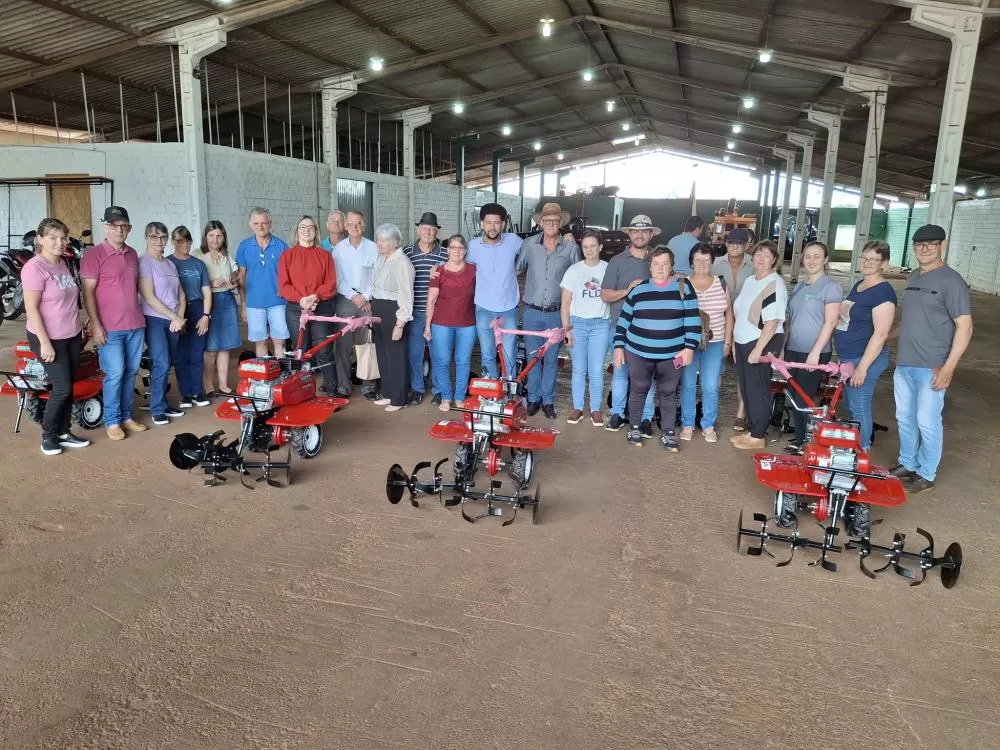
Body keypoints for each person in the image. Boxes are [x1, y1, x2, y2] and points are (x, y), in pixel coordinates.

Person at [890, 224, 973, 494]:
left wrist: (949, 367)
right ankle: (908, 463)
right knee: (905, 417)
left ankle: (926, 473)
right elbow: (912, 320)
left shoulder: (951, 281)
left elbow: (965, 326)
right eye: (919, 244)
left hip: (932, 365)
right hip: (905, 363)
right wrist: (883, 337)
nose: (924, 249)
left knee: (927, 420)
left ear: (942, 245)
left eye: (931, 244)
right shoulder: (913, 277)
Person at [613, 246, 700, 451]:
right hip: (637, 351)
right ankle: (634, 428)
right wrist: (618, 347)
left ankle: (668, 434)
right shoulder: (638, 289)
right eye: (656, 263)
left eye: (665, 264)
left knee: (668, 392)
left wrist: (689, 349)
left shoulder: (683, 287)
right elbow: (623, 321)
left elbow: (694, 321)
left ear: (671, 267)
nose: (660, 268)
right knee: (639, 388)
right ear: (650, 266)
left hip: (672, 354)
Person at [22, 218, 90, 455]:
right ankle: (48, 436)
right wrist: (44, 342)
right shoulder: (34, 267)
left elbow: (70, 300)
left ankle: (63, 431)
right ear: (40, 239)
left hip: (71, 334)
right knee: (61, 387)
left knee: (68, 386)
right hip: (48, 338)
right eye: (53, 237)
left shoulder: (62, 264)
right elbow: (31, 309)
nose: (59, 243)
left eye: (63, 238)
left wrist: (80, 326)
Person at [80, 206, 148, 441]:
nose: (119, 229)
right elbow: (87, 292)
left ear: (128, 228)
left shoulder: (131, 254)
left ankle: (126, 416)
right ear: (106, 227)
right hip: (109, 327)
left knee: (130, 372)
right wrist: (96, 325)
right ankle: (112, 420)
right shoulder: (93, 255)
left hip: (135, 324)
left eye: (124, 226)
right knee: (115, 373)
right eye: (114, 225)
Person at [518, 202, 580, 419]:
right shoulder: (529, 245)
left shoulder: (571, 248)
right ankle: (533, 398)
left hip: (556, 312)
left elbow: (578, 279)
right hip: (532, 312)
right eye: (547, 220)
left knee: (551, 359)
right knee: (533, 357)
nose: (551, 223)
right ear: (540, 223)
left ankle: (548, 401)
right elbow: (517, 270)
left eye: (555, 220)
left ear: (561, 223)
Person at [600, 215, 659, 435]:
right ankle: (617, 413)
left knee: (647, 375)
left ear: (651, 234)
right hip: (621, 327)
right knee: (620, 372)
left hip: (651, 329)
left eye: (645, 231)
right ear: (630, 234)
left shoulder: (658, 260)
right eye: (636, 231)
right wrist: (627, 290)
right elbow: (605, 294)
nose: (640, 235)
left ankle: (645, 418)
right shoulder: (617, 261)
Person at [834, 240, 895, 451]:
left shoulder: (883, 292)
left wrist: (862, 367)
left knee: (859, 408)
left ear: (884, 264)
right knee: (851, 406)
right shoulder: (859, 285)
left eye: (874, 259)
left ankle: (862, 454)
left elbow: (881, 333)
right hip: (851, 356)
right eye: (865, 257)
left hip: (865, 359)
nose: (868, 262)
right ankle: (857, 450)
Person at [782, 241, 843, 453]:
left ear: (825, 260)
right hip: (793, 351)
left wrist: (815, 353)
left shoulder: (830, 287)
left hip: (814, 354)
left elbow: (831, 322)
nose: (811, 261)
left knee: (805, 398)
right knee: (794, 397)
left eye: (817, 256)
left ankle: (811, 444)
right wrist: (783, 348)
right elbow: (790, 320)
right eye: (808, 256)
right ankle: (800, 441)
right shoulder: (800, 285)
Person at [730, 240, 787, 450]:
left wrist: (758, 349)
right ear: (752, 258)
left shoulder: (774, 282)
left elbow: (772, 322)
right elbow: (741, 314)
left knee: (758, 388)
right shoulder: (750, 281)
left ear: (774, 260)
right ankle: (752, 430)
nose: (761, 259)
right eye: (758, 254)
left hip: (761, 341)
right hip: (744, 340)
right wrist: (736, 344)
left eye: (767, 255)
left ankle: (758, 435)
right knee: (746, 388)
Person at [679, 243, 734, 443]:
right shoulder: (683, 284)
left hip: (716, 342)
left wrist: (728, 342)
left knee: (710, 386)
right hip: (688, 345)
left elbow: (729, 314)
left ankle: (708, 425)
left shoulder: (721, 283)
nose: (702, 263)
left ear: (712, 261)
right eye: (697, 259)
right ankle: (687, 424)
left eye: (706, 259)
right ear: (691, 262)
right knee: (688, 384)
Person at [278, 215, 338, 394]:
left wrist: (315, 297)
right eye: (303, 227)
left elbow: (331, 283)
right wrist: (302, 300)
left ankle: (332, 390)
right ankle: (300, 392)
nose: (307, 230)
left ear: (316, 231)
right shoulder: (287, 255)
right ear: (297, 231)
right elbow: (283, 285)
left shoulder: (325, 255)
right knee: (301, 351)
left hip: (321, 307)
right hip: (296, 309)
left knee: (324, 349)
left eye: (311, 227)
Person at [466, 203, 522, 378]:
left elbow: (533, 252)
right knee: (488, 354)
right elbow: (461, 267)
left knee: (508, 354)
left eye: (497, 223)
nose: (492, 227)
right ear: (482, 223)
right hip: (483, 308)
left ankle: (508, 390)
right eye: (488, 222)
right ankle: (490, 391)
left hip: (509, 308)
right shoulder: (473, 246)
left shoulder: (514, 241)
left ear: (503, 224)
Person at [139, 222, 186, 426]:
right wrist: (173, 317)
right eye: (154, 237)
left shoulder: (169, 263)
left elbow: (181, 293)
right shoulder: (144, 262)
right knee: (161, 362)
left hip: (174, 321)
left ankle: (164, 404)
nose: (159, 241)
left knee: (168, 364)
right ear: (147, 238)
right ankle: (157, 408)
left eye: (162, 237)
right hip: (155, 319)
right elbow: (149, 297)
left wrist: (180, 317)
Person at [560, 229, 609, 426]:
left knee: (596, 370)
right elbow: (565, 303)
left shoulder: (608, 269)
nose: (589, 250)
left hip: (600, 324)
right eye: (585, 246)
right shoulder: (574, 270)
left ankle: (596, 410)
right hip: (577, 324)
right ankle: (578, 408)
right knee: (579, 370)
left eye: (593, 246)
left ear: (600, 247)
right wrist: (567, 329)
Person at [424, 234, 477, 411]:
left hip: (467, 324)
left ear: (465, 251)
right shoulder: (438, 271)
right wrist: (427, 326)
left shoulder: (473, 270)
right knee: (442, 360)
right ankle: (446, 397)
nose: (456, 251)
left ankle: (460, 397)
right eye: (453, 247)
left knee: (463, 361)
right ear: (447, 250)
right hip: (441, 324)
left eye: (460, 248)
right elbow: (431, 300)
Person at [331, 210, 379, 400]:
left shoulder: (373, 248)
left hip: (368, 300)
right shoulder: (339, 249)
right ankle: (344, 386)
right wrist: (354, 296)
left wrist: (365, 296)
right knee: (343, 345)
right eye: (350, 223)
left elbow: (377, 276)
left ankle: (369, 386)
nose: (354, 226)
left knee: (367, 342)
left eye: (358, 223)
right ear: (345, 226)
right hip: (345, 299)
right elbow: (337, 278)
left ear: (364, 225)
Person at [712, 227, 754, 433]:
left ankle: (741, 414)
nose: (734, 247)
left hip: (747, 324)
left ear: (746, 245)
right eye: (730, 243)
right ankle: (711, 411)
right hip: (720, 323)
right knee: (716, 367)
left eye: (738, 244)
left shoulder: (755, 266)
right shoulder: (715, 265)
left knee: (742, 371)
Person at [369, 224, 415, 412]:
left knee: (396, 356)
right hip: (378, 309)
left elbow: (406, 295)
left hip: (393, 311)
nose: (379, 243)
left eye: (384, 240)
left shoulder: (402, 262)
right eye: (378, 239)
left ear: (395, 242)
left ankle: (399, 398)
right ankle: (388, 393)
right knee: (383, 354)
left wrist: (400, 323)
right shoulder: (381, 259)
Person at [403, 211, 448, 405]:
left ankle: (438, 390)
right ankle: (418, 389)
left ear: (437, 232)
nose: (428, 232)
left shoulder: (446, 254)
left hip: (438, 314)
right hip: (414, 313)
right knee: (415, 353)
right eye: (424, 228)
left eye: (432, 229)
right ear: (418, 229)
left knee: (438, 353)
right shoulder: (406, 253)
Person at [194, 221, 242, 394]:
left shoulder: (226, 256)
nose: (215, 239)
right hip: (208, 301)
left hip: (227, 301)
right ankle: (208, 384)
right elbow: (192, 282)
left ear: (224, 238)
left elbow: (237, 277)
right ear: (205, 237)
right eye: (211, 235)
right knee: (211, 347)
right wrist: (211, 283)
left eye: (219, 235)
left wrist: (233, 282)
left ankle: (222, 384)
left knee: (225, 346)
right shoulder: (198, 255)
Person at [235, 207, 288, 358]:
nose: (260, 226)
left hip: (278, 302)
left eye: (264, 223)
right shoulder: (244, 247)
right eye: (256, 223)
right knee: (260, 342)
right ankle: (263, 380)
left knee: (280, 342)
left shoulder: (282, 246)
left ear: (270, 223)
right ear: (250, 224)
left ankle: (281, 378)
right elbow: (241, 277)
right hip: (254, 304)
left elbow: (288, 276)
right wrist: (243, 304)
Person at [168, 226, 212, 408]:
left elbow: (207, 292)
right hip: (176, 311)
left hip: (197, 308)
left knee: (196, 353)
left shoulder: (198, 264)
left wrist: (205, 316)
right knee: (180, 355)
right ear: (173, 242)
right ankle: (185, 394)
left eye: (187, 241)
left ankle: (197, 392)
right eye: (180, 241)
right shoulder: (168, 263)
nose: (184, 244)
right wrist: (177, 317)